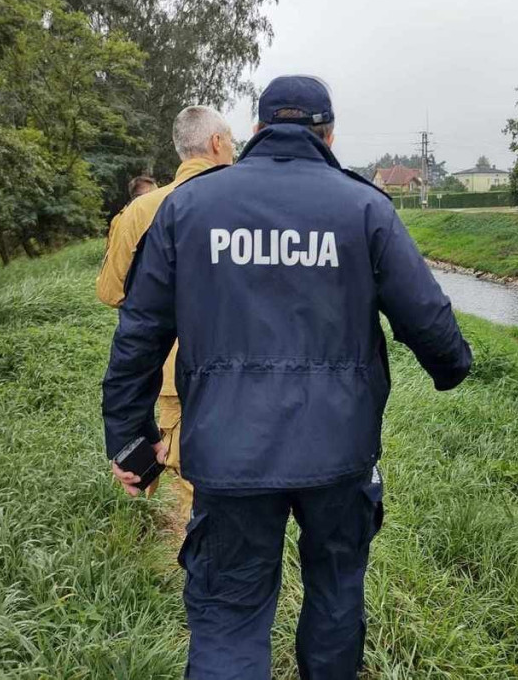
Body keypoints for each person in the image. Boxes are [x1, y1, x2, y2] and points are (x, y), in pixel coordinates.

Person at [102, 75, 472, 679]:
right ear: (328, 133)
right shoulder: (364, 207)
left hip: (227, 454)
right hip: (339, 453)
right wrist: (452, 365)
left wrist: (129, 437)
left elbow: (139, 331)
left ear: (255, 131)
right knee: (334, 592)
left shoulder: (189, 209)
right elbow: (427, 316)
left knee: (229, 614)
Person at [98, 105, 234, 499]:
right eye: (231, 143)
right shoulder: (249, 203)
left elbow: (110, 292)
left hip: (175, 370)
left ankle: (202, 558)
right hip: (247, 368)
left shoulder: (141, 211)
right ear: (216, 142)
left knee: (194, 479)